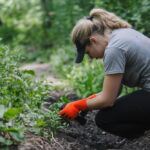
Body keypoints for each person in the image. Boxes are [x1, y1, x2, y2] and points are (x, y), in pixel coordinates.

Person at [59, 8, 150, 138]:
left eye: (88, 53)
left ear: (93, 40)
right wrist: (84, 105)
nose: (90, 58)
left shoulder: (114, 50)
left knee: (104, 119)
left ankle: (141, 137)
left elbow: (107, 100)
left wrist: (77, 105)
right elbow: (113, 92)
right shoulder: (122, 34)